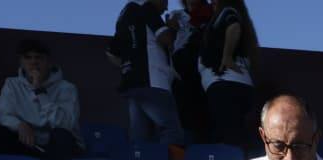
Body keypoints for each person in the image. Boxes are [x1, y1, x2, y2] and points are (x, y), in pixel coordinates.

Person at [0, 38, 83, 160]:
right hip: (25, 141)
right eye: (28, 58)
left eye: (38, 58)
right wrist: (19, 125)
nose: (33, 62)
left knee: (62, 136)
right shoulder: (12, 84)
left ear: (49, 62)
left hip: (54, 146)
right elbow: (2, 116)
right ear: (21, 62)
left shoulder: (67, 88)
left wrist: (40, 92)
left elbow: (65, 124)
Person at [108, 0, 185, 145]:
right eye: (164, 1)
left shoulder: (124, 14)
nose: (166, 7)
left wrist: (132, 65)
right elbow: (166, 39)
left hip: (131, 84)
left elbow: (112, 53)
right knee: (172, 131)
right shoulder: (147, 8)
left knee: (139, 137)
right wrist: (173, 28)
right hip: (153, 82)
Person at [197, 0, 256, 150]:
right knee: (234, 134)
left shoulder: (227, 11)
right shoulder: (224, 16)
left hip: (225, 83)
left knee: (229, 137)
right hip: (234, 85)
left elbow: (234, 26)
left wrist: (227, 56)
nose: (212, 2)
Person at [165, 0, 213, 142]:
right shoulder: (176, 16)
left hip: (202, 76)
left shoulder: (211, 14)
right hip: (179, 76)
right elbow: (167, 42)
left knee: (201, 120)